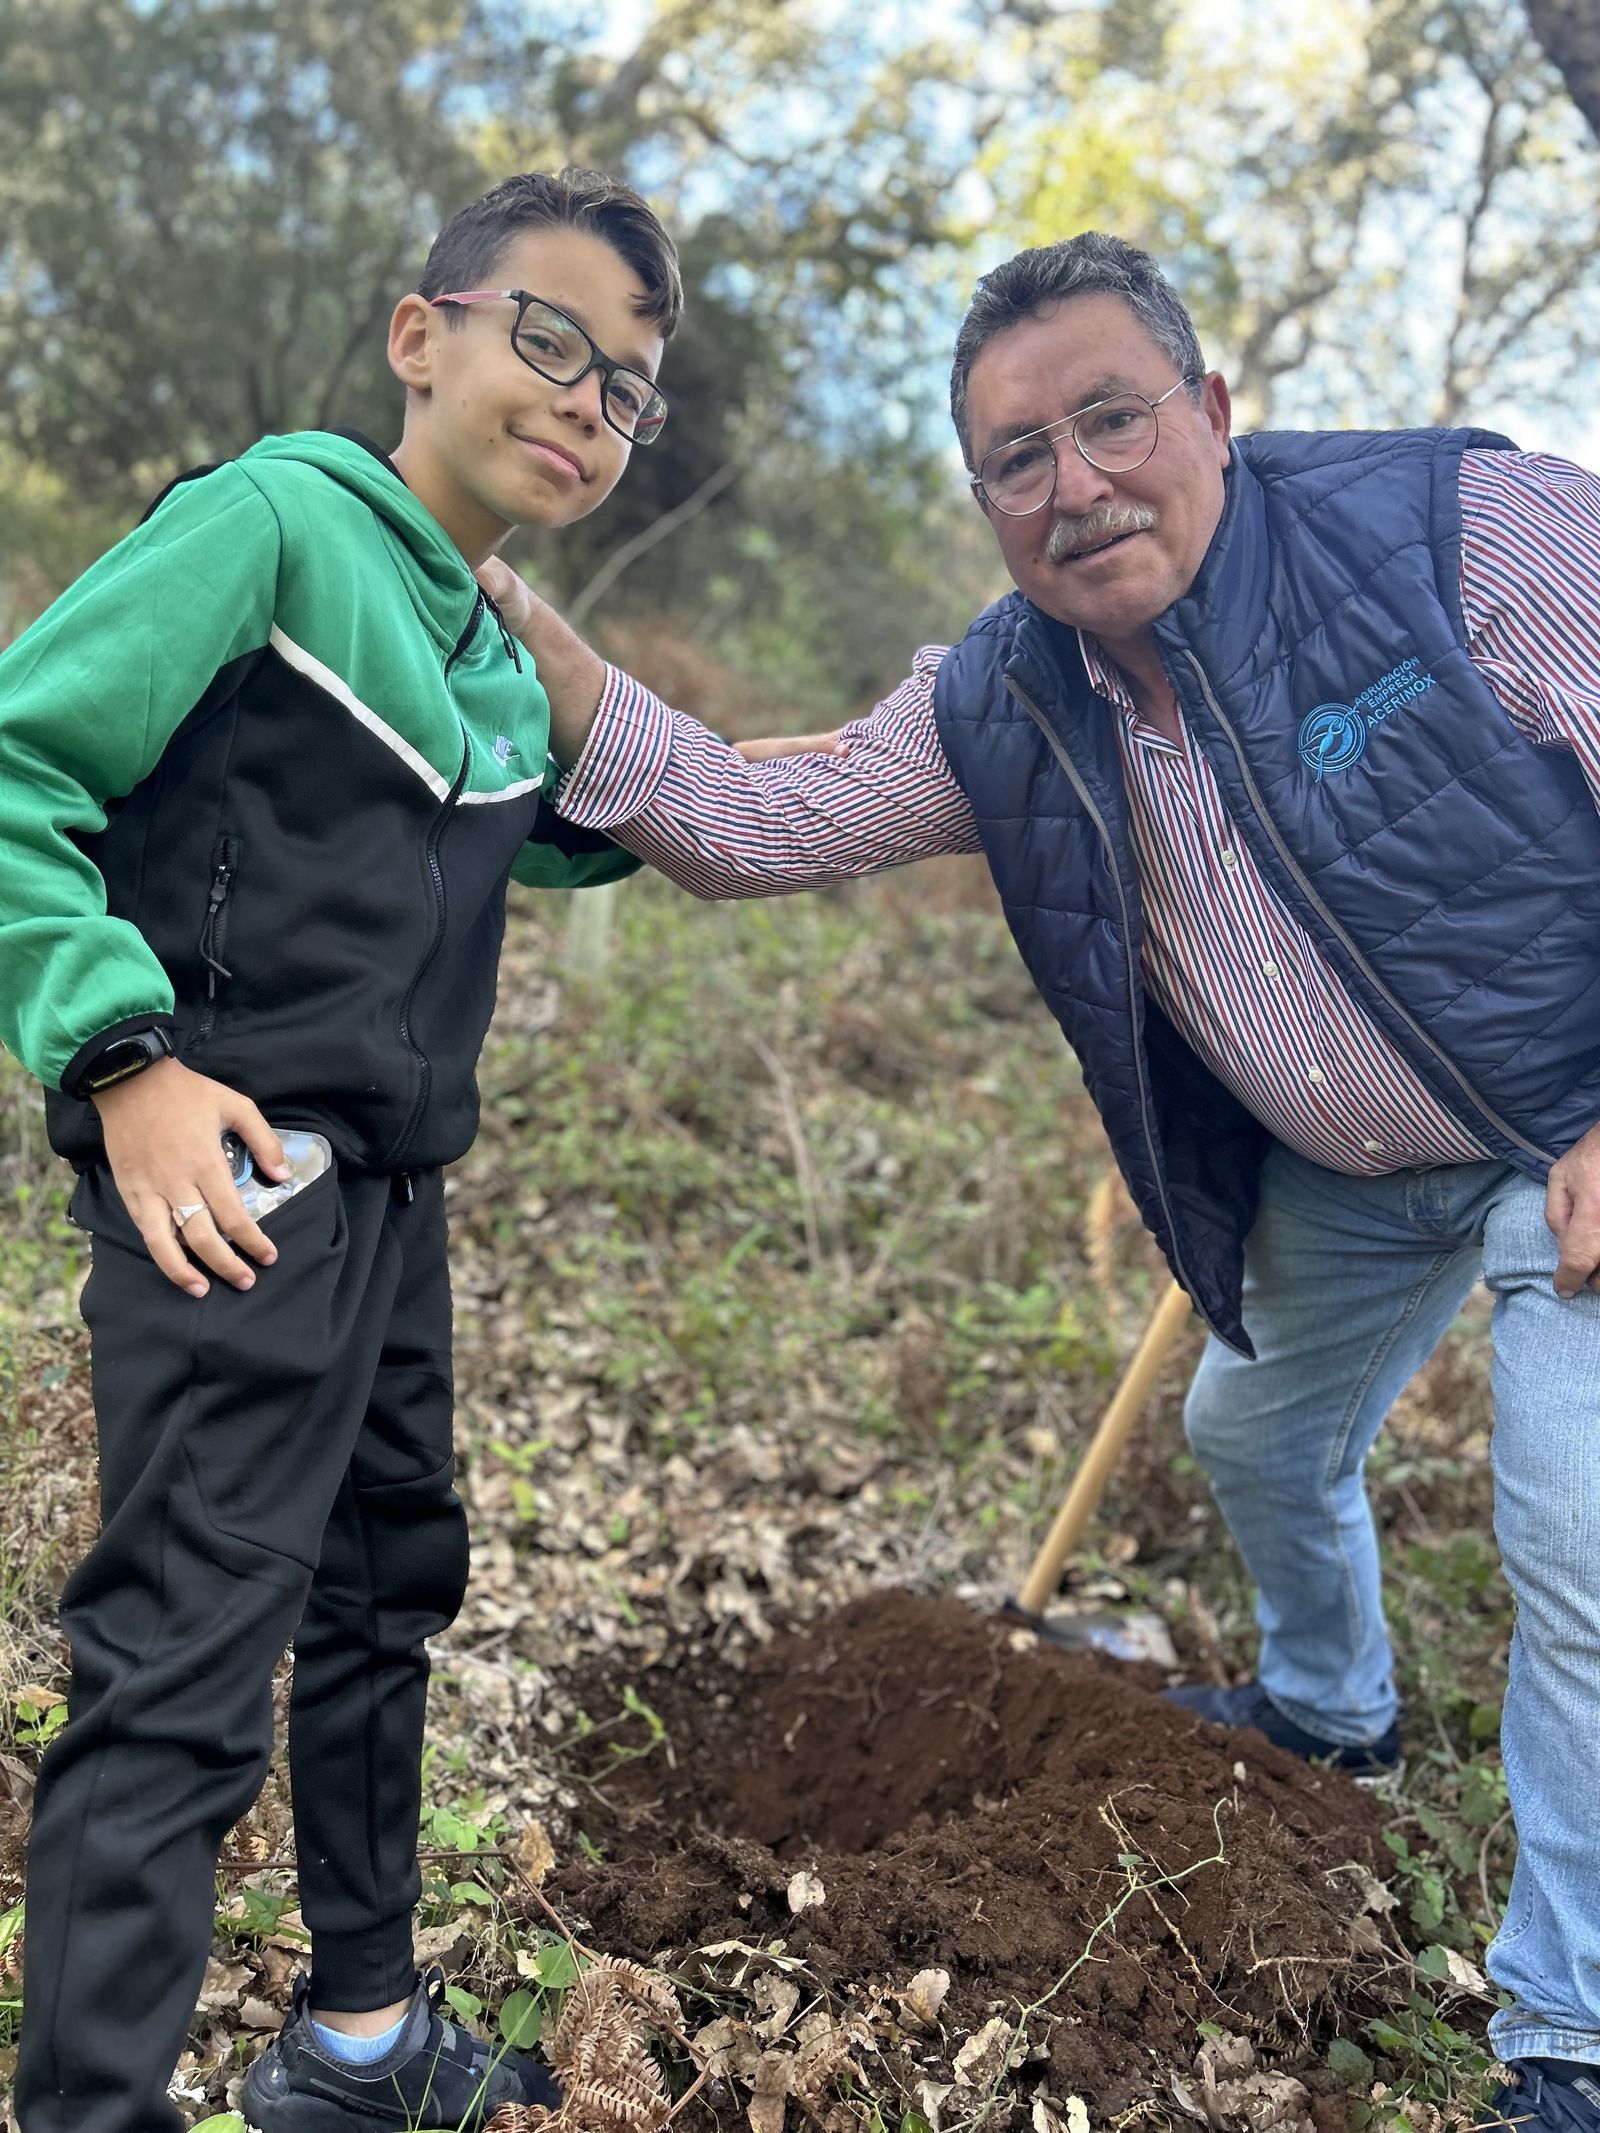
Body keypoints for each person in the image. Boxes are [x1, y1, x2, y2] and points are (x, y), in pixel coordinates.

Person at [478, 232, 1600, 2133]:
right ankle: (1335, 1706)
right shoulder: (1004, 702)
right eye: (1019, 455)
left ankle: (1565, 2030)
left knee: (1572, 1542)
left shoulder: (1465, 529)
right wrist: (554, 650)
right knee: (1252, 1431)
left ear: (1213, 412)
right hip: (1351, 1168)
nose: (1075, 483)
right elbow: (764, 816)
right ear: (984, 496)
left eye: (1112, 418)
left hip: (1569, 1135)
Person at [0, 167, 682, 2133]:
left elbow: (585, 815)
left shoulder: (481, 641)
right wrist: (121, 1054)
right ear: (422, 333)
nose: (580, 401)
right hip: (233, 1180)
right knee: (187, 1665)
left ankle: (358, 2044)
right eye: (543, 339)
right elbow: (23, 765)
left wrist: (858, 772)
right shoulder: (278, 521)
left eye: (622, 385)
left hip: (394, 1198)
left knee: (385, 1592)